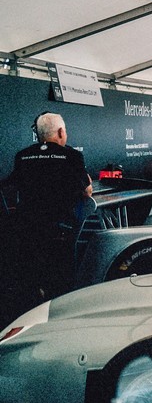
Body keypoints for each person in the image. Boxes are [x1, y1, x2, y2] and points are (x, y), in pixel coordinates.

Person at [8, 112, 93, 304]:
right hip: (59, 232)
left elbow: (12, 186)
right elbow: (87, 192)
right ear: (61, 132)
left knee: (29, 287)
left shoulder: (22, 156)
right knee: (59, 289)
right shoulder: (72, 156)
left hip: (26, 231)